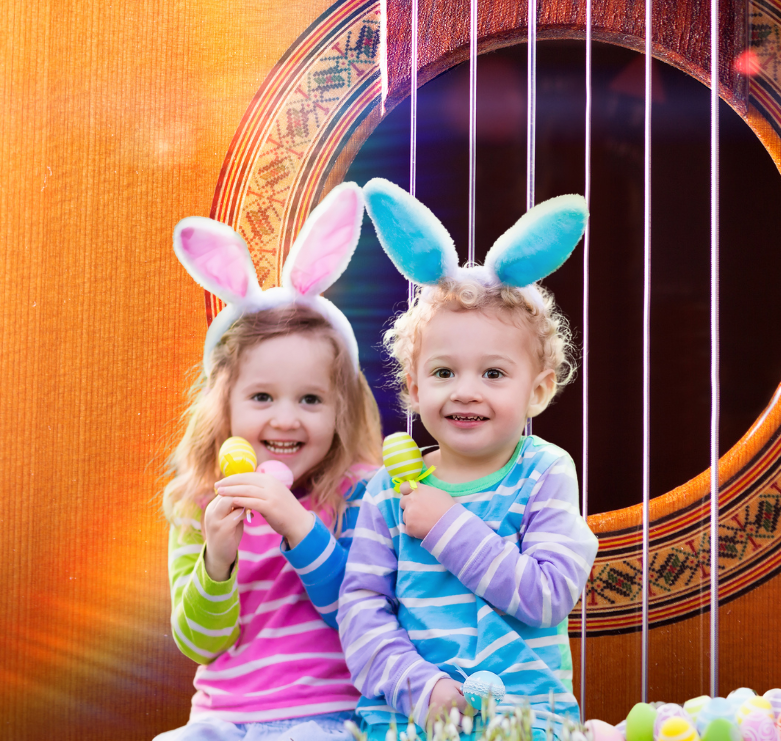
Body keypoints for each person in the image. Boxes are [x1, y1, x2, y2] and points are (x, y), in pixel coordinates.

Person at [338, 179, 599, 741]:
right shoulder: (389, 488)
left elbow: (548, 596)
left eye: (494, 374)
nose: (465, 391)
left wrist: (448, 526)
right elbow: (361, 609)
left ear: (538, 389)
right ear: (412, 385)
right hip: (409, 720)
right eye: (443, 372)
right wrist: (419, 687)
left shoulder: (546, 472)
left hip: (526, 722)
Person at [156, 183, 383, 741]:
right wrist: (217, 558)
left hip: (331, 716)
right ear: (225, 407)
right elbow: (200, 643)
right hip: (221, 718)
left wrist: (298, 525)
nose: (286, 420)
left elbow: (361, 615)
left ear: (341, 410)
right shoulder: (199, 504)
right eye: (262, 398)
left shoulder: (359, 494)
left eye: (310, 399)